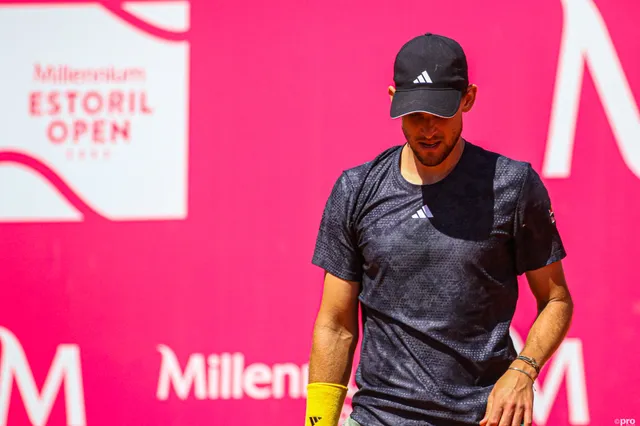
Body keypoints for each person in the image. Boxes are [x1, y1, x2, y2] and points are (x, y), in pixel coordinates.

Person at [304, 33, 574, 426]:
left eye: (441, 113)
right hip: (378, 418)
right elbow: (335, 324)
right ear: (393, 96)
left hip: (484, 418)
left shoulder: (513, 186)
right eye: (415, 114)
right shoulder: (355, 190)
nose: (428, 129)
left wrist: (523, 371)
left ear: (468, 98)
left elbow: (556, 300)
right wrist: (318, 423)